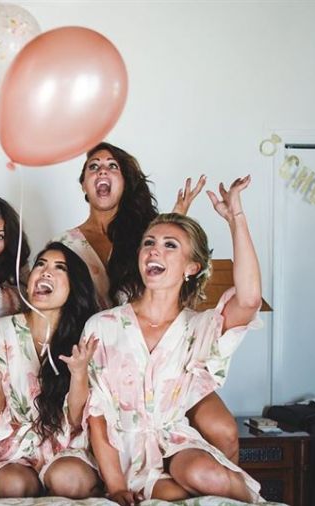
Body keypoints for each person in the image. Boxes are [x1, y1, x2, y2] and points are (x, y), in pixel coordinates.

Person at [54, 143, 238, 464]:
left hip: (163, 363)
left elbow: (173, 276)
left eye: (113, 166)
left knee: (223, 428)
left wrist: (177, 218)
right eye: (94, 166)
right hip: (105, 365)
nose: (102, 172)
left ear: (125, 181)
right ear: (83, 183)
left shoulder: (147, 237)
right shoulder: (66, 244)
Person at [85, 176, 263, 504]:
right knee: (169, 495)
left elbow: (250, 300)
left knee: (202, 474)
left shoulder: (198, 328)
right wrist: (115, 486)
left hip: (177, 441)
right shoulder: (103, 326)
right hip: (127, 452)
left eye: (171, 246)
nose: (155, 250)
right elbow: (96, 414)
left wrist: (236, 218)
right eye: (149, 242)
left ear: (191, 267)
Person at [0, 242, 100, 499]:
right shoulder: (0, 330)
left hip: (66, 445)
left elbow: (75, 420)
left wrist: (79, 374)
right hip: (16, 447)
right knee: (13, 486)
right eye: (41, 264)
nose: (46, 272)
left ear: (74, 286)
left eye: (59, 268)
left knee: (70, 480)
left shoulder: (85, 336)